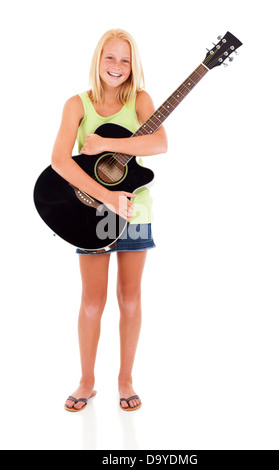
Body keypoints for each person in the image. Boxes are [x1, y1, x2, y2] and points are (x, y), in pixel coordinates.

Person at [51, 29, 168, 412]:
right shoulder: (77, 104)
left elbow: (158, 143)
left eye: (124, 59)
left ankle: (125, 379)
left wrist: (106, 144)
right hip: (92, 213)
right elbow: (60, 161)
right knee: (91, 301)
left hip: (135, 208)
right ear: (98, 60)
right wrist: (106, 196)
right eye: (110, 57)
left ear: (133, 65)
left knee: (130, 299)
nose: (116, 66)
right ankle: (86, 380)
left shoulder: (141, 101)